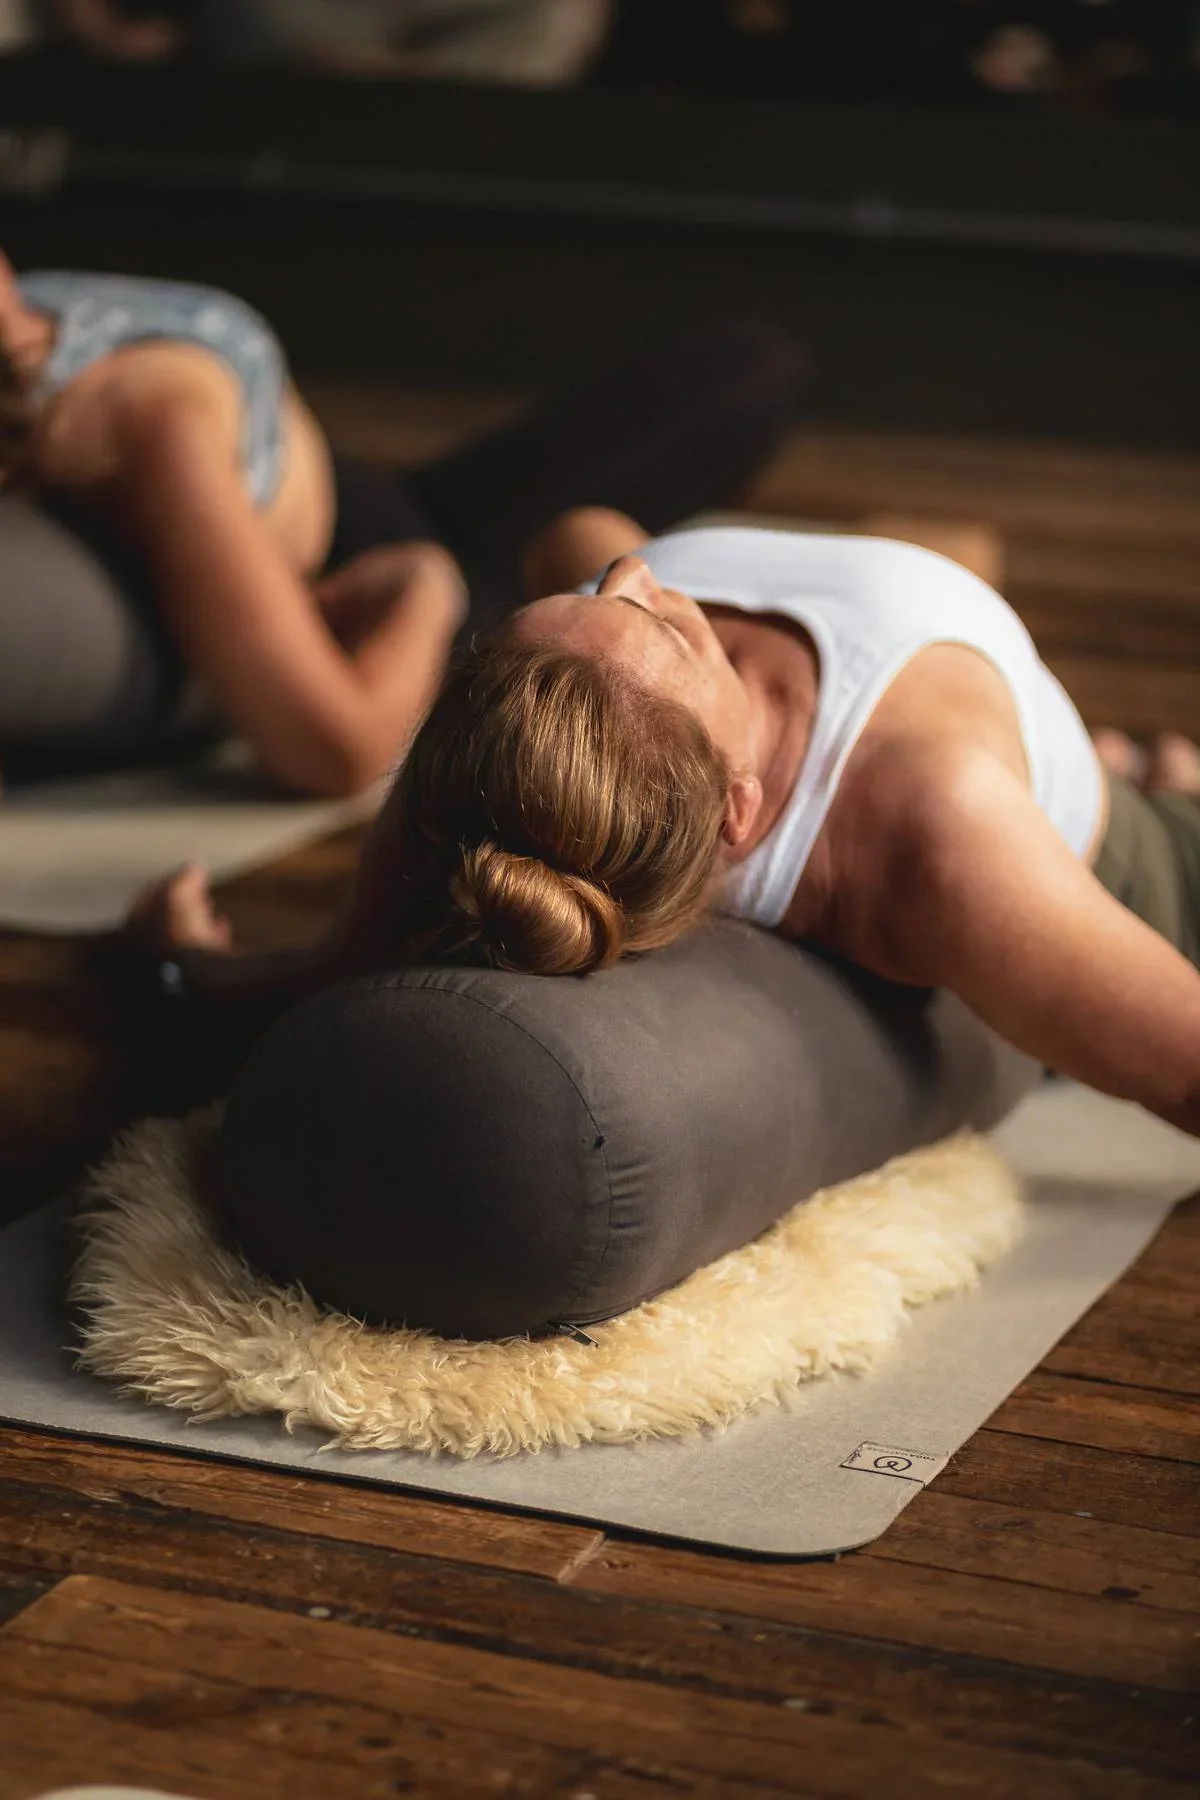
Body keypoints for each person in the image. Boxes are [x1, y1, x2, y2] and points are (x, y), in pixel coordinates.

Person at [129, 504, 1200, 1138]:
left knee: (578, 531)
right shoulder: (939, 830)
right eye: (684, 641)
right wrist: (205, 993)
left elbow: (582, 556)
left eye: (605, 602)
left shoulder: (531, 759)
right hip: (1145, 873)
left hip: (1005, 711)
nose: (643, 579)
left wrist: (204, 967)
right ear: (740, 809)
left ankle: (1116, 752)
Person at [0, 255, 806, 793]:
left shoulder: (44, 324)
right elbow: (336, 747)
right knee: (742, 387)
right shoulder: (145, 425)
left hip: (381, 494)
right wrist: (426, 587)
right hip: (402, 573)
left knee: (753, 365)